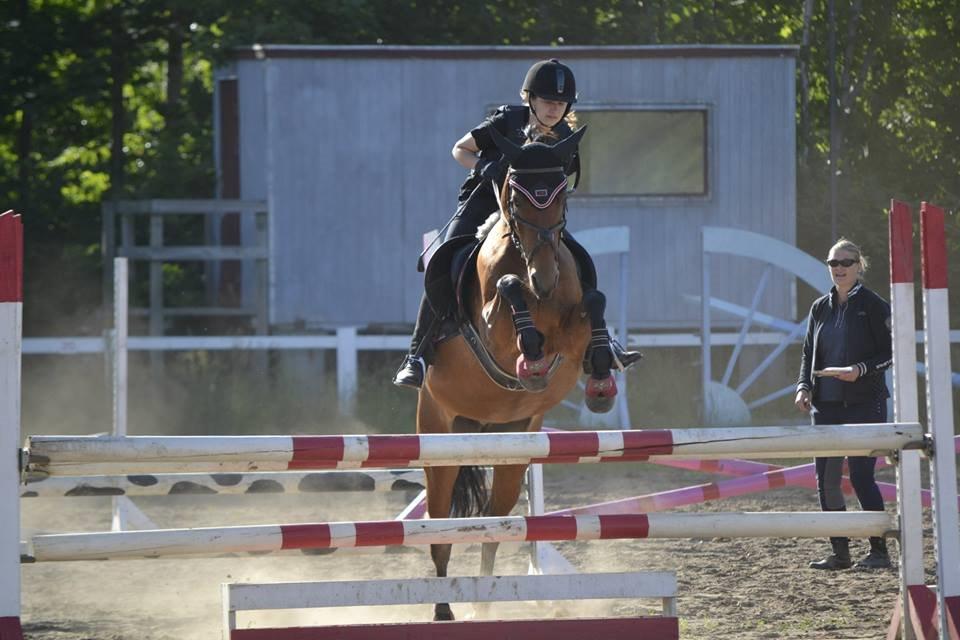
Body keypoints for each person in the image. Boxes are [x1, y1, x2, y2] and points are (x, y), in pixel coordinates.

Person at [393, 58, 642, 388]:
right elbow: (460, 149)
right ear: (530, 99)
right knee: (443, 260)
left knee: (580, 261)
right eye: (547, 101)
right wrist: (484, 165)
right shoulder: (506, 120)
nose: (555, 109)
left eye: (561, 103)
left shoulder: (565, 137)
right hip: (484, 201)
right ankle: (418, 354)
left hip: (534, 215)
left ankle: (600, 343)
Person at [795, 238, 893, 570]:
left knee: (863, 477)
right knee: (827, 480)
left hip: (867, 402)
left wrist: (859, 370)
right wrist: (803, 386)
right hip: (826, 404)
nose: (839, 269)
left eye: (846, 263)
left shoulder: (875, 305)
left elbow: (889, 354)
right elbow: (809, 352)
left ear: (859, 266)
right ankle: (840, 552)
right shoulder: (819, 307)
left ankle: (879, 551)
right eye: (833, 263)